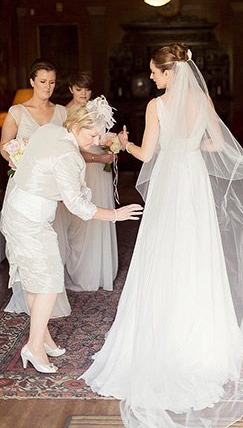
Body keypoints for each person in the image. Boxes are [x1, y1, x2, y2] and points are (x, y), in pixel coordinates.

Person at [81, 43, 243, 428]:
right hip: (194, 182)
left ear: (169, 73)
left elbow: (146, 155)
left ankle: (165, 330)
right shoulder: (202, 100)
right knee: (197, 251)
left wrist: (122, 143)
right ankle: (203, 334)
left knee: (165, 253)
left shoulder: (156, 106)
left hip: (172, 183)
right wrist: (189, 146)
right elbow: (217, 144)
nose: (151, 77)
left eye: (154, 72)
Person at [0, 100, 142, 374]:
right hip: (30, 221)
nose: (96, 141)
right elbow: (77, 207)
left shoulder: (50, 130)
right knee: (49, 283)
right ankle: (34, 347)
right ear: (75, 127)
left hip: (15, 211)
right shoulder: (70, 157)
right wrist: (116, 215)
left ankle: (44, 338)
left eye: (100, 135)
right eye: (92, 135)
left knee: (34, 280)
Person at [0, 59, 71, 318]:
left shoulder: (62, 112)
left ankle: (49, 300)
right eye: (42, 81)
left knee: (49, 244)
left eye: (51, 82)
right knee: (25, 245)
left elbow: (68, 148)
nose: (47, 87)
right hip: (23, 187)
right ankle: (26, 298)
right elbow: (4, 146)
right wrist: (18, 159)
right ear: (32, 81)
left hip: (50, 189)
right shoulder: (17, 111)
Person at [55, 71, 118, 291]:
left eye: (87, 89)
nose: (84, 93)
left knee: (99, 218)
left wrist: (112, 145)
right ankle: (80, 273)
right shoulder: (63, 113)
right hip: (81, 170)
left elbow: (101, 137)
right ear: (71, 88)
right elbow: (66, 150)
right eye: (79, 88)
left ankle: (100, 272)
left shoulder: (96, 109)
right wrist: (97, 157)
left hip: (100, 171)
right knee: (79, 221)